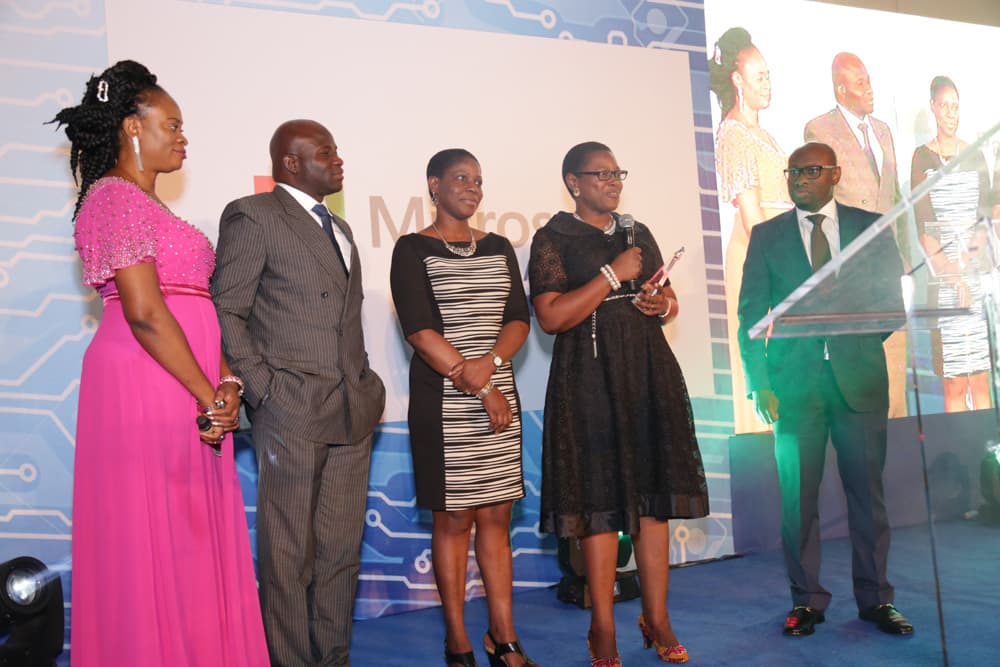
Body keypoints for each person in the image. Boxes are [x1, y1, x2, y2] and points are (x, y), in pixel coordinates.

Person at [52, 60, 268, 665]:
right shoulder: (113, 198)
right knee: (151, 536)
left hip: (192, 385)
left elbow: (199, 306)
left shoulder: (157, 209)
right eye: (170, 124)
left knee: (191, 536)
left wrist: (227, 381)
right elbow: (146, 312)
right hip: (146, 384)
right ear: (130, 127)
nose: (182, 137)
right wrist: (207, 392)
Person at [211, 119, 386, 666]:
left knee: (339, 552)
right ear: (291, 162)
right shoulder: (253, 215)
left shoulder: (342, 226)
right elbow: (228, 309)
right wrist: (264, 391)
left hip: (351, 410)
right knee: (288, 557)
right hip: (291, 410)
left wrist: (366, 383)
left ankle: (332, 659)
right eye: (326, 152)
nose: (338, 161)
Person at [528, 141, 709, 666]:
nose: (613, 181)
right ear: (573, 182)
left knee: (653, 506)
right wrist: (612, 275)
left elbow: (668, 299)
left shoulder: (638, 233)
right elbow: (552, 317)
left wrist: (659, 302)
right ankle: (602, 626)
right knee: (600, 508)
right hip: (587, 383)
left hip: (647, 376)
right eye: (601, 174)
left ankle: (657, 619)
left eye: (617, 173)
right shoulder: (552, 238)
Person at [737, 141, 913, 638]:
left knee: (867, 496)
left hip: (858, 385)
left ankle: (876, 600)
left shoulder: (869, 227)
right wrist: (760, 384)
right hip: (792, 391)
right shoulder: (768, 236)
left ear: (835, 175)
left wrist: (847, 345)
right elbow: (749, 316)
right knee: (797, 502)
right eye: (792, 172)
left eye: (810, 171)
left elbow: (889, 307)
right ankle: (807, 601)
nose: (798, 180)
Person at [390, 149, 534, 667]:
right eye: (460, 179)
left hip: (496, 395)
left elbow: (518, 317)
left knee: (497, 516)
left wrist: (491, 362)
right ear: (434, 185)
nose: (472, 188)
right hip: (445, 404)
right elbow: (420, 330)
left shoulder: (498, 247)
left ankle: (505, 638)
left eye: (478, 181)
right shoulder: (411, 249)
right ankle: (458, 641)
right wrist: (477, 382)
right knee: (453, 522)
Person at [804, 52, 908, 419]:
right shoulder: (820, 130)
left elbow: (896, 199)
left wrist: (906, 263)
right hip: (850, 270)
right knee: (861, 380)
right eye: (860, 82)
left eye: (869, 80)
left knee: (895, 372)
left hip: (888, 267)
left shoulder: (883, 131)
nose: (869, 88)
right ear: (840, 88)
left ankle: (901, 446)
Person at [708, 26, 793, 434]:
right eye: (758, 76)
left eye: (769, 75)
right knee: (761, 356)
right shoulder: (734, 134)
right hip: (758, 259)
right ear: (737, 80)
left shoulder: (763, 133)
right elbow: (752, 217)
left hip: (779, 255)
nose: (767, 84)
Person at [910, 76, 994, 412]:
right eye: (944, 105)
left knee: (981, 380)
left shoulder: (975, 153)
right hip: (943, 285)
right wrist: (951, 274)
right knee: (954, 384)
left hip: (975, 279)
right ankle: (961, 459)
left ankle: (991, 459)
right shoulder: (921, 158)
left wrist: (966, 268)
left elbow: (984, 217)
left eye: (955, 106)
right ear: (933, 107)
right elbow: (923, 226)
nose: (950, 113)